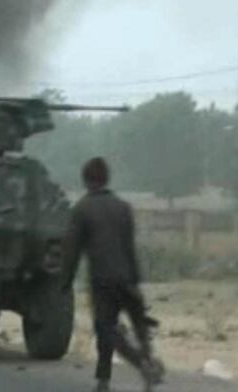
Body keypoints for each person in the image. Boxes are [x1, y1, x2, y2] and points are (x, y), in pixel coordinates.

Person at [64, 157, 164, 392]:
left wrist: (64, 281)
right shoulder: (123, 207)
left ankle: (118, 373)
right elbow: (130, 248)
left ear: (86, 180)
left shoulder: (81, 209)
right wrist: (137, 282)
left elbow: (72, 251)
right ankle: (144, 368)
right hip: (128, 277)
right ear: (106, 178)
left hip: (102, 280)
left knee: (106, 329)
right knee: (139, 326)